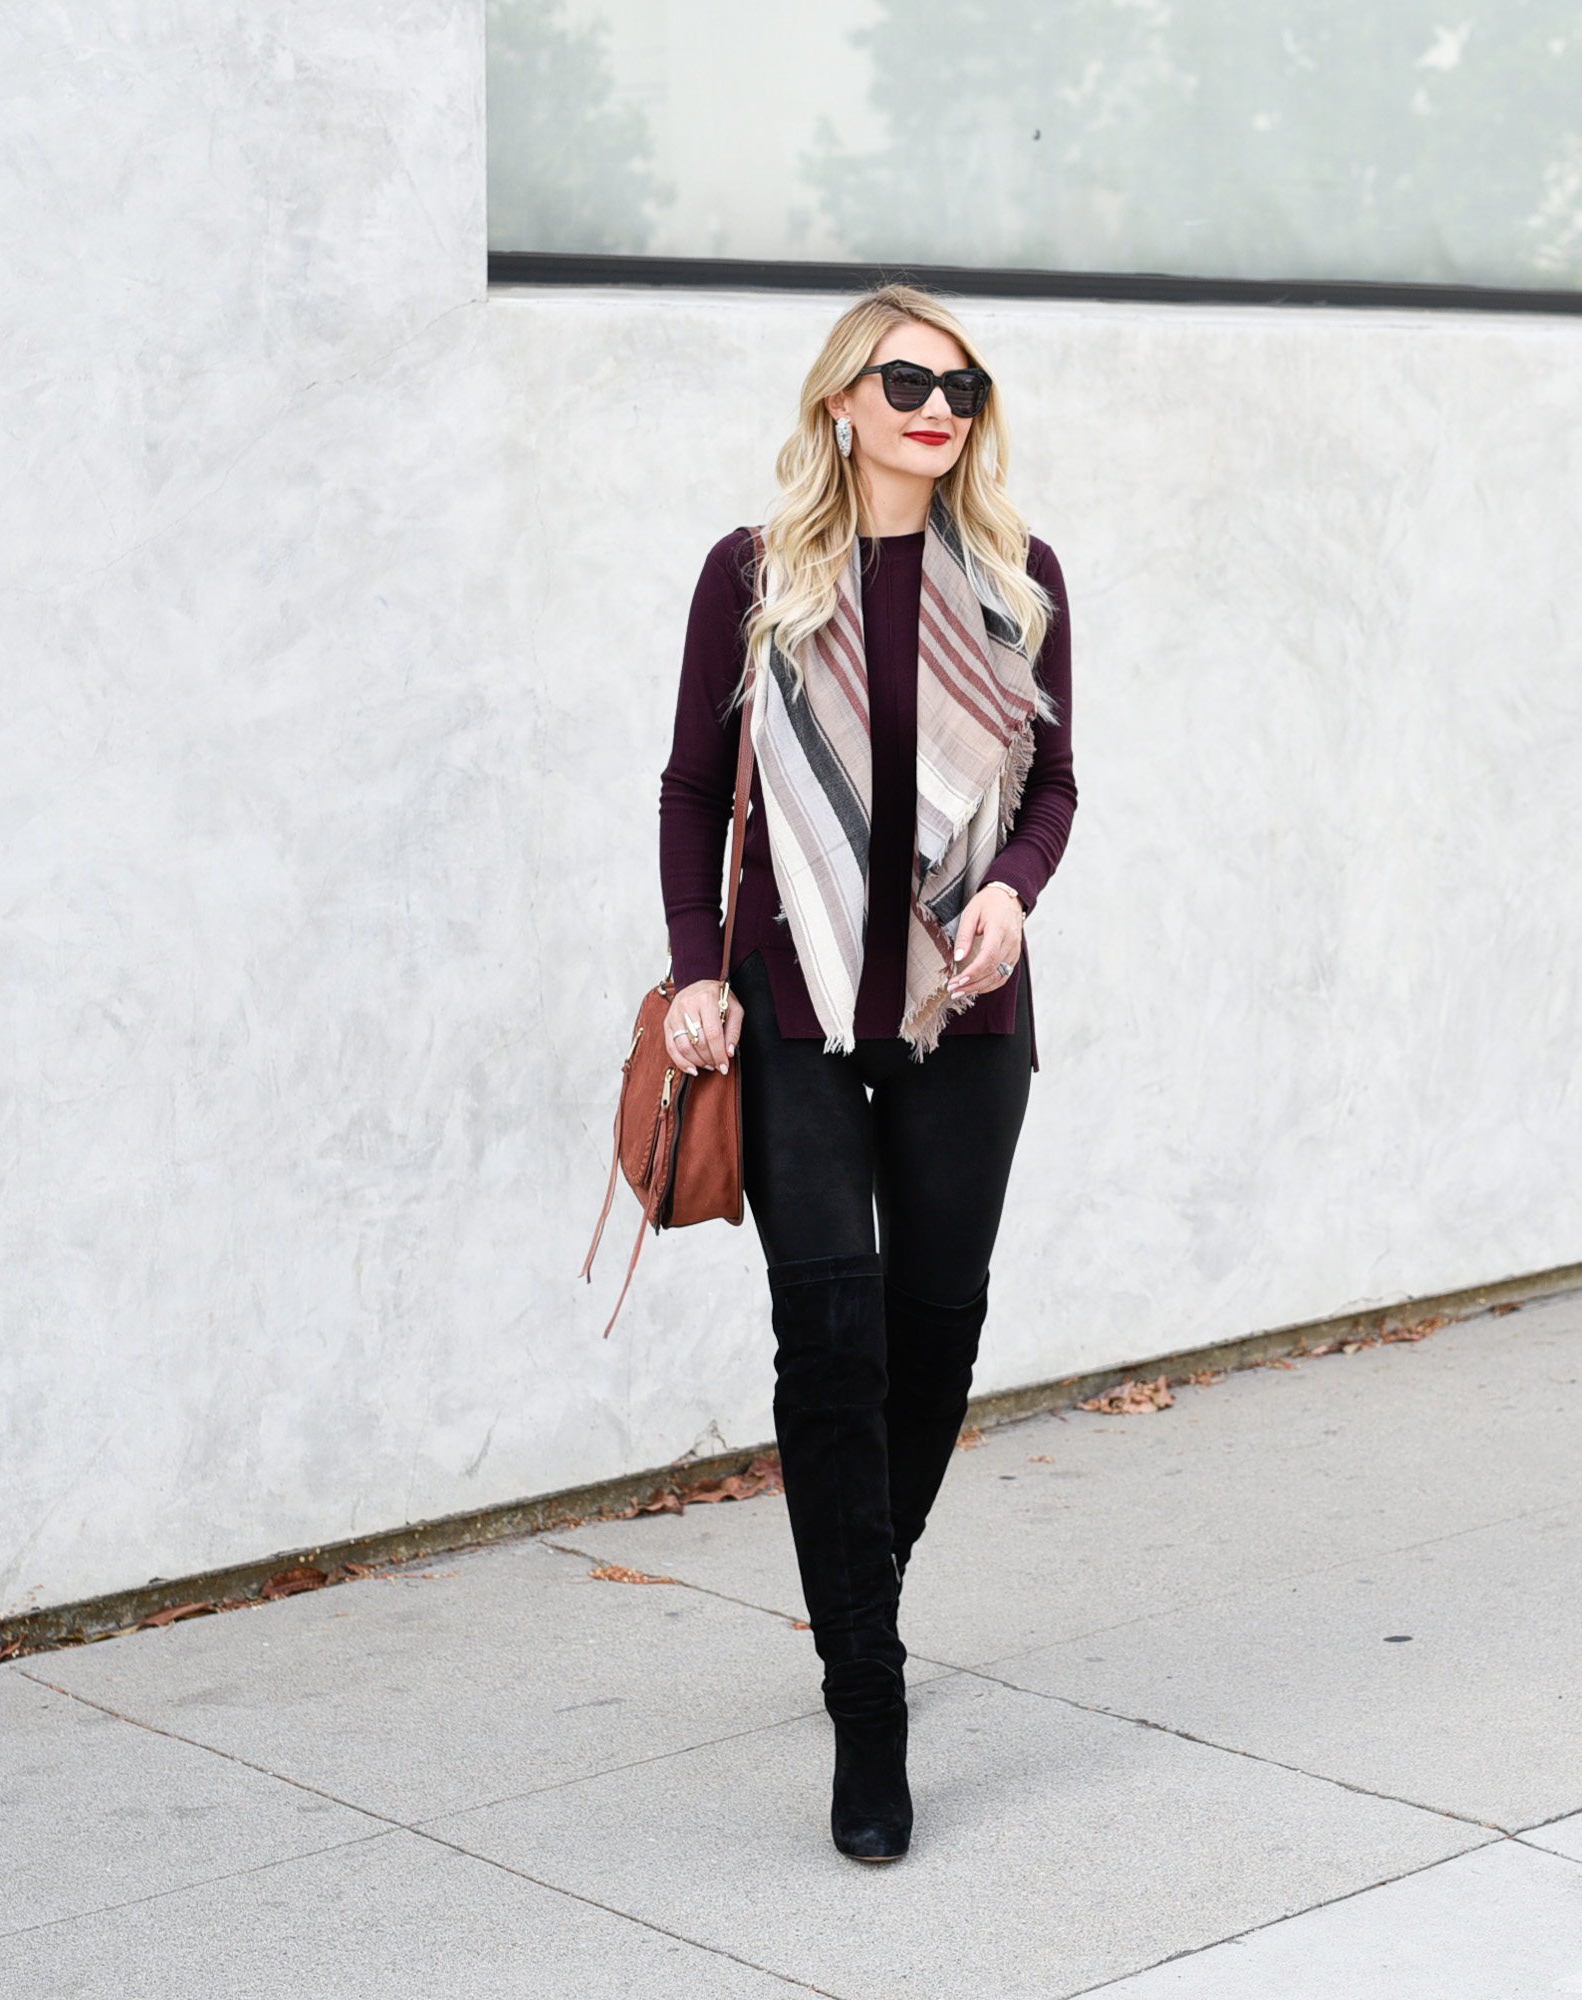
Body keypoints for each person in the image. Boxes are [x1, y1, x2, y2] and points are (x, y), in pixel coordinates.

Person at [657, 285, 1075, 1860]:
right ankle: (867, 1696)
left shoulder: (1019, 581)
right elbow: (697, 787)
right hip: (794, 1008)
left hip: (963, 1016)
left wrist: (1012, 891)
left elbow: (1056, 783)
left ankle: (859, 1576)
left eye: (961, 382)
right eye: (907, 379)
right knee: (829, 1340)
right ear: (843, 399)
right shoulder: (755, 575)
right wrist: (700, 974)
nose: (938, 405)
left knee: (934, 1334)